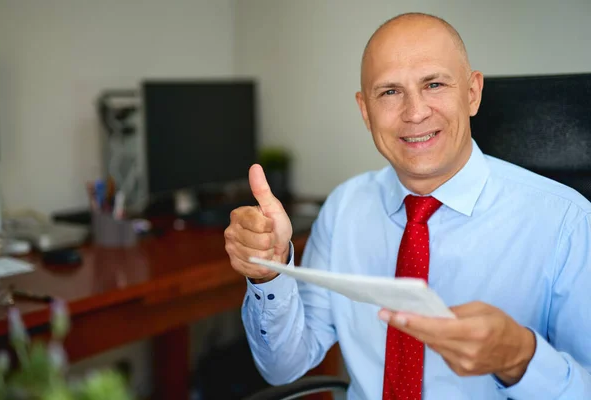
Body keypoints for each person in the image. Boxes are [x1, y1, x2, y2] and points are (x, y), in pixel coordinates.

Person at [224, 12, 591, 400]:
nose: (415, 112)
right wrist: (269, 274)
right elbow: (284, 367)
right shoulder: (344, 206)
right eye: (389, 92)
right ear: (365, 111)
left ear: (472, 93)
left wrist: (521, 359)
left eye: (433, 84)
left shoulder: (567, 223)